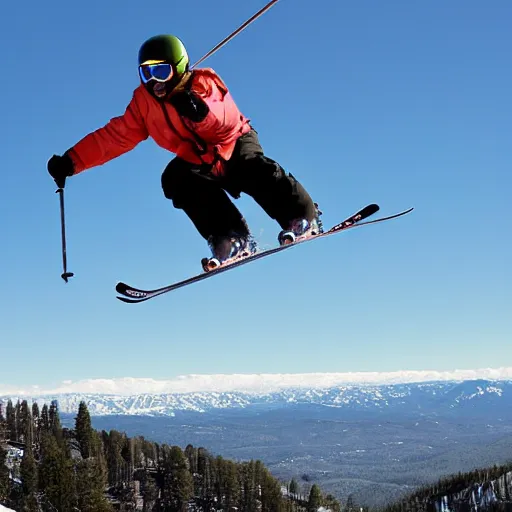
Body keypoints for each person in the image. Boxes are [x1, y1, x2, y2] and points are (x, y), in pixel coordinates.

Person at [47, 34, 322, 271]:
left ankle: (301, 216)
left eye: (162, 71)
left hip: (233, 144)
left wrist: (199, 110)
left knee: (252, 167)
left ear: (178, 68)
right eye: (146, 73)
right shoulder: (144, 104)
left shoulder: (203, 83)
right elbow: (115, 136)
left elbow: (223, 115)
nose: (154, 81)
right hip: (199, 161)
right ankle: (231, 237)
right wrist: (72, 161)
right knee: (175, 178)